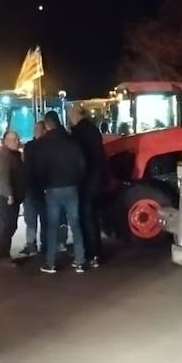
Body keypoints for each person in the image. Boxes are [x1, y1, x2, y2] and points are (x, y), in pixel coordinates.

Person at [30, 110, 86, 273]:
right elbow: (82, 163)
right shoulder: (72, 140)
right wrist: (77, 181)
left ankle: (50, 263)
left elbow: (39, 169)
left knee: (52, 226)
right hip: (72, 187)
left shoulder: (44, 143)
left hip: (52, 189)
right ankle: (80, 260)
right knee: (75, 224)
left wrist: (42, 186)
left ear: (47, 124)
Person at [70, 103, 109, 268]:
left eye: (71, 114)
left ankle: (91, 253)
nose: (70, 117)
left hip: (86, 181)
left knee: (86, 217)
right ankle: (96, 252)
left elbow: (79, 159)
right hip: (98, 179)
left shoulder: (78, 132)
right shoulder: (93, 129)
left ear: (77, 115)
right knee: (92, 216)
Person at [0, 129, 26, 262]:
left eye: (17, 139)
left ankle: (4, 254)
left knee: (10, 225)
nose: (17, 142)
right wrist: (9, 194)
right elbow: (3, 176)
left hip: (12, 196)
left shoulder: (14, 154)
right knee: (7, 225)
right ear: (6, 141)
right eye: (14, 140)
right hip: (4, 196)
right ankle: (3, 256)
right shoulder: (5, 155)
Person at [20, 121, 48, 258]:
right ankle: (43, 244)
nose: (36, 131)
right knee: (41, 218)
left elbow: (24, 162)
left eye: (37, 129)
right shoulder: (47, 146)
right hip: (40, 188)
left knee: (32, 218)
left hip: (32, 187)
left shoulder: (29, 146)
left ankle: (32, 245)